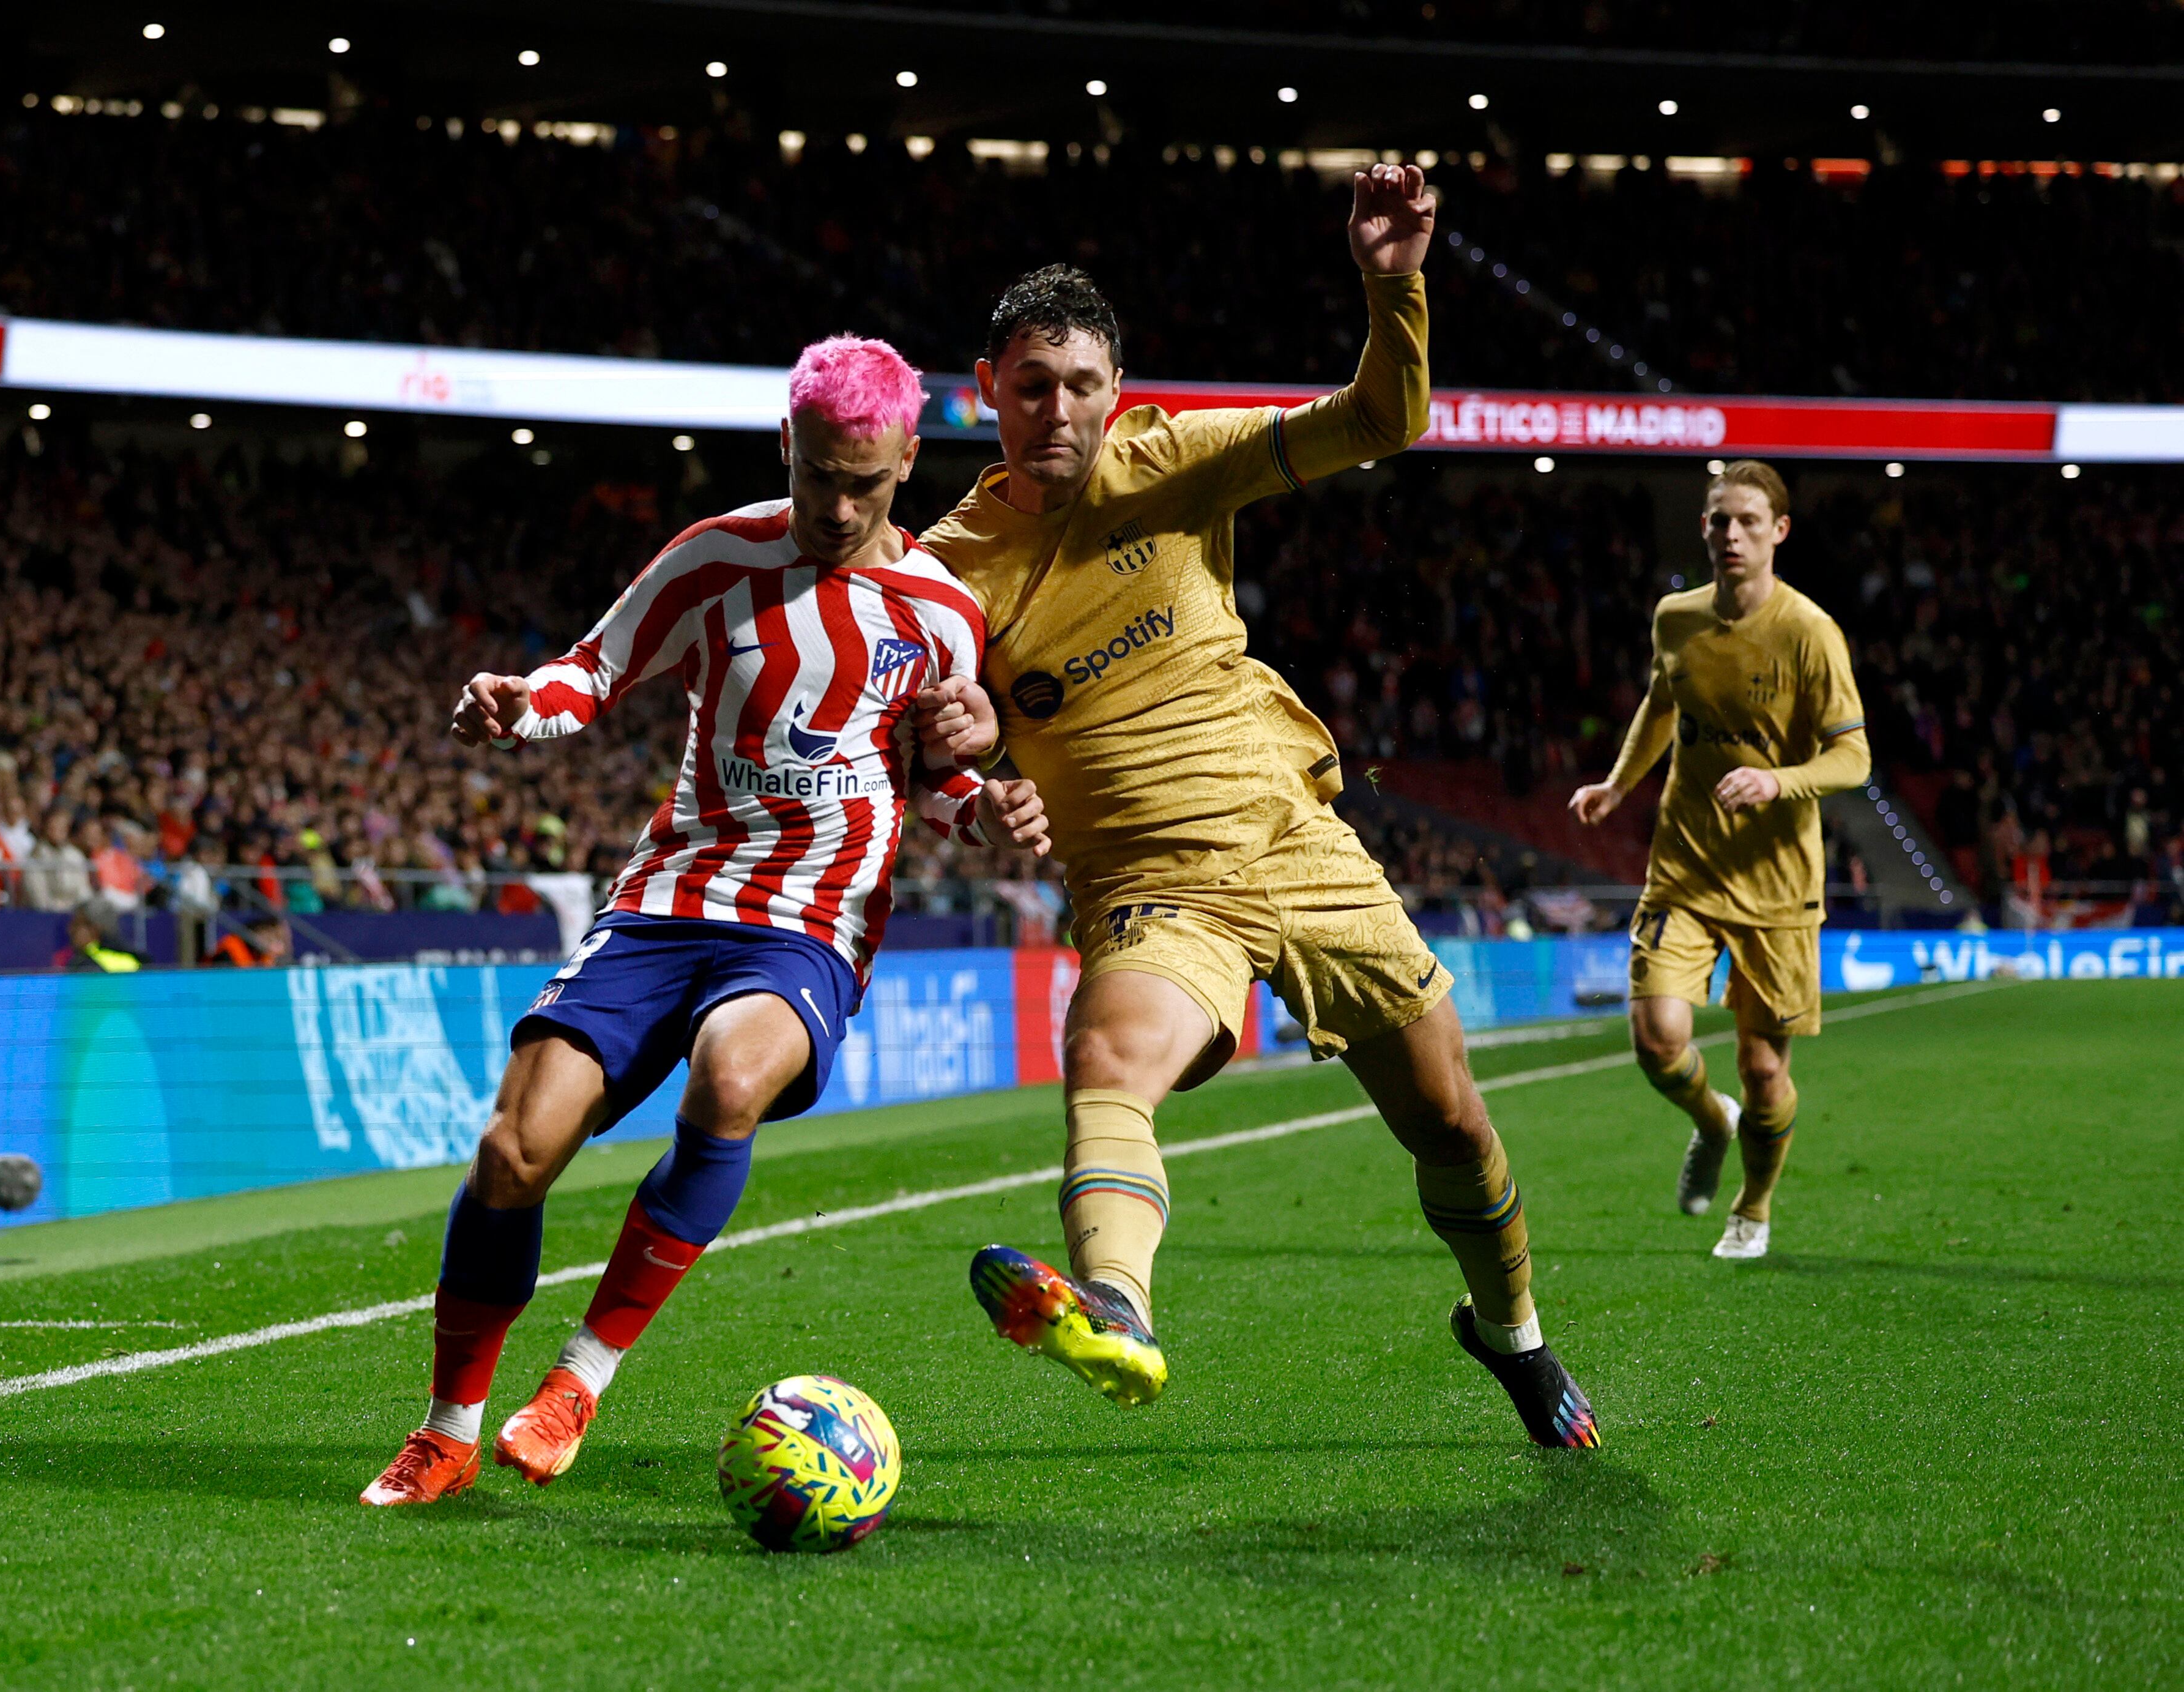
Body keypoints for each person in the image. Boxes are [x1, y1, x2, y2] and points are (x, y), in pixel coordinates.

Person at [914, 164, 1597, 1447]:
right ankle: (1116, 1305)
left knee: (1450, 1118)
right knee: (1107, 1059)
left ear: (1115, 392)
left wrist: (1391, 285)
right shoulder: (942, 571)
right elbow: (923, 730)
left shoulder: (1170, 463)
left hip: (1293, 840)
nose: (1055, 409)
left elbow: (1378, 421)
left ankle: (1510, 1333)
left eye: (1078, 385)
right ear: (985, 391)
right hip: (1145, 886)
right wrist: (959, 765)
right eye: (1027, 385)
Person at [362, 335, 1050, 1507]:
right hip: (673, 895)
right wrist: (524, 704)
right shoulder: (713, 559)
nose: (836, 505)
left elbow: (930, 773)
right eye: (818, 473)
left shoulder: (940, 612)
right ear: (789, 443)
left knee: (729, 1082)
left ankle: (579, 1378)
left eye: (864, 481)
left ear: (908, 462)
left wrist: (983, 810)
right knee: (511, 1152)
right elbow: (594, 667)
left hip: (813, 921)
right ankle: (449, 1426)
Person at [1568, 459, 1869, 1261]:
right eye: (1716, 521)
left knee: (1764, 1069)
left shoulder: (1810, 632)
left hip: (1777, 887)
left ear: (1778, 531)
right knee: (1659, 1037)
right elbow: (1663, 702)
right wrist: (1618, 781)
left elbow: (1854, 757)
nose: (1729, 534)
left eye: (1745, 521)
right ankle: (1711, 1118)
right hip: (1686, 868)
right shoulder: (1677, 618)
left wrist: (1778, 780)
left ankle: (1755, 1203)